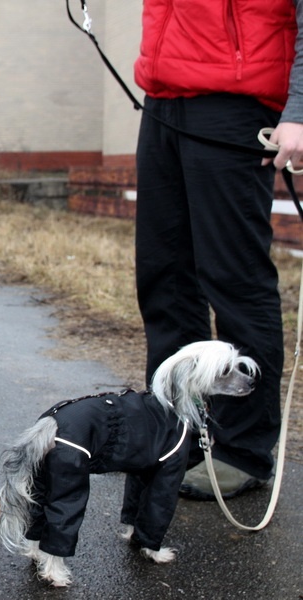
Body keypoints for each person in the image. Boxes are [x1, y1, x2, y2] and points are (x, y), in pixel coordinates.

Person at [133, 0, 303, 500]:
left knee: (233, 279)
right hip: (163, 96)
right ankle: (176, 434)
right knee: (164, 276)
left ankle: (241, 452)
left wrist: (299, 109)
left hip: (235, 105)